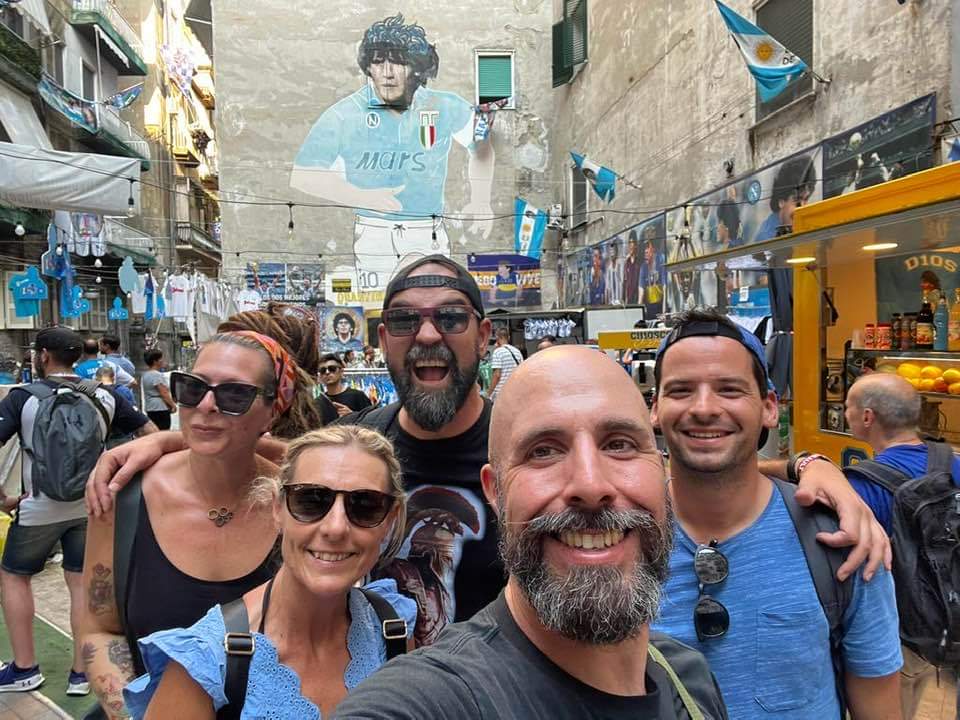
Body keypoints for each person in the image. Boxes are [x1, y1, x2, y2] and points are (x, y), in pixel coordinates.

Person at [332, 346, 728, 719]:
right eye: (543, 451)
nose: (591, 485)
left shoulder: (688, 678)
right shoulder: (433, 701)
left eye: (619, 444)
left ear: (661, 468)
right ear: (494, 491)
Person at [650, 309, 902, 720]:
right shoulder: (618, 541)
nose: (704, 408)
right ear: (655, 408)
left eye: (729, 390)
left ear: (769, 407)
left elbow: (879, 706)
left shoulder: (842, 538)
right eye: (681, 390)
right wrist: (806, 463)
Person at [123, 426, 415, 719]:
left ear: (390, 521)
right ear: (277, 508)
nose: (335, 527)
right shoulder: (208, 665)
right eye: (311, 501)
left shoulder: (392, 631)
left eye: (365, 506)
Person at [79, 332, 291, 717]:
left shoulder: (300, 504)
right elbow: (100, 628)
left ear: (271, 411)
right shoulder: (122, 495)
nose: (206, 405)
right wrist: (131, 712)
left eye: (234, 395)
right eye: (193, 388)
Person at [290, 13, 494, 293]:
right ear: (368, 67)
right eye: (378, 62)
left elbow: (482, 144)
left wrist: (481, 200)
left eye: (398, 61)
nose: (388, 72)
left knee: (432, 299)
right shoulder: (345, 113)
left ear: (416, 67)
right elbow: (303, 175)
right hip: (374, 230)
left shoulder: (443, 105)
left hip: (427, 229)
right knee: (380, 305)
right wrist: (361, 196)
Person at [0, 327, 154, 696]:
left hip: (38, 507)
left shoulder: (22, 398)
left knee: (14, 576)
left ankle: (24, 668)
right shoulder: (105, 395)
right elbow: (150, 433)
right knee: (81, 582)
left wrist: (3, 498)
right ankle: (81, 674)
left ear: (42, 356)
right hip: (93, 505)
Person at [841, 374, 957, 719]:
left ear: (867, 417)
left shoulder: (860, 486)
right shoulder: (953, 463)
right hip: (947, 623)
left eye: (848, 406)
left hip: (896, 633)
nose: (845, 413)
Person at [755, 154, 818, 242]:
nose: (802, 207)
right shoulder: (767, 239)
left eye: (806, 199)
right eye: (796, 200)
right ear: (781, 202)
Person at [140, 350, 176, 431]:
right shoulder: (157, 375)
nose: (162, 361)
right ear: (155, 361)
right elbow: (164, 393)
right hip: (160, 408)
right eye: (160, 359)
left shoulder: (145, 375)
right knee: (163, 431)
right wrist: (173, 405)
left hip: (150, 407)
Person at [487, 326, 521, 402]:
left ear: (497, 338)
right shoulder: (517, 351)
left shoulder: (498, 352)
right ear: (508, 337)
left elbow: (497, 375)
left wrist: (488, 393)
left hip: (501, 392)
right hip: (514, 391)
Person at [639, 227, 666, 320]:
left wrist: (664, 311)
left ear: (653, 249)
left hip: (660, 305)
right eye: (645, 249)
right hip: (649, 306)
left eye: (648, 247)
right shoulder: (643, 267)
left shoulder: (661, 259)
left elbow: (665, 287)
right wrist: (638, 311)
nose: (645, 253)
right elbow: (641, 290)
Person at [623, 230, 641, 305]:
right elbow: (625, 282)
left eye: (632, 242)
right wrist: (624, 299)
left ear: (636, 245)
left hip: (637, 298)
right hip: (628, 300)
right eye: (629, 243)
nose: (630, 245)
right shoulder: (627, 262)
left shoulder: (639, 261)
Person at [604, 238, 624, 305]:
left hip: (620, 303)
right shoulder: (608, 269)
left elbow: (623, 283)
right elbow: (607, 288)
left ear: (617, 252)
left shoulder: (620, 266)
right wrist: (606, 304)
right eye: (610, 251)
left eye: (613, 251)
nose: (612, 254)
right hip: (611, 303)